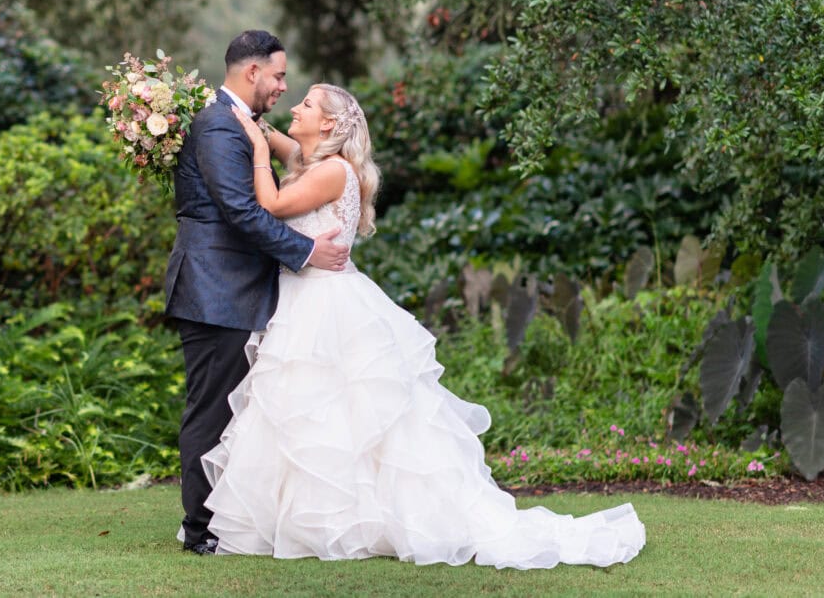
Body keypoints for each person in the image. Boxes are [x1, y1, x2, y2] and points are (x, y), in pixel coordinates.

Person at [199, 83, 647, 568]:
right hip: (308, 297)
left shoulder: (330, 171)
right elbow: (287, 143)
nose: (295, 107)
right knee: (315, 414)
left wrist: (260, 148)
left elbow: (269, 205)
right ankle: (323, 519)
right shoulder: (319, 162)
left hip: (326, 304)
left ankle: (364, 519)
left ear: (328, 124)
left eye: (306, 104)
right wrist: (243, 117)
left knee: (336, 412)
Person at [164, 31, 351, 556]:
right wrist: (306, 252)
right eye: (278, 76)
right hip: (215, 289)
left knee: (241, 414)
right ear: (252, 73)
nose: (283, 87)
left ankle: (231, 521)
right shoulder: (220, 124)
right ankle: (202, 531)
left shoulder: (243, 125)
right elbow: (241, 212)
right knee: (212, 412)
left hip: (236, 289)